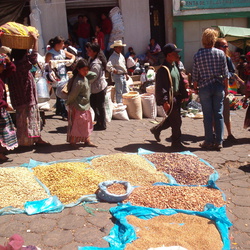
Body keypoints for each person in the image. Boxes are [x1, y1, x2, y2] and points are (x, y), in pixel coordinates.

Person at [8, 32, 49, 147]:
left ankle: (25, 140)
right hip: (27, 97)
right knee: (30, 118)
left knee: (22, 119)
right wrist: (35, 41)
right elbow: (34, 57)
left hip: (17, 98)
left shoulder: (12, 65)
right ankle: (30, 140)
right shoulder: (23, 64)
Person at [192, 28, 228, 150]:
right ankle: (219, 141)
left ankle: (208, 141)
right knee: (218, 114)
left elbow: (195, 75)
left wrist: (195, 88)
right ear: (214, 40)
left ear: (203, 40)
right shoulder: (220, 54)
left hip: (204, 87)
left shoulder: (198, 55)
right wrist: (226, 89)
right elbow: (225, 74)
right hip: (218, 86)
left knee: (207, 115)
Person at [150, 43, 188, 149]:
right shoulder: (163, 70)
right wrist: (164, 102)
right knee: (176, 121)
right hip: (170, 99)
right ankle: (176, 142)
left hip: (177, 97)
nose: (177, 55)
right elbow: (160, 88)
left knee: (173, 119)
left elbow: (179, 81)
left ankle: (156, 129)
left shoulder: (175, 66)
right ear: (168, 55)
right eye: (175, 53)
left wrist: (184, 94)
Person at [66, 58, 97, 148]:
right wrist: (68, 103)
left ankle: (87, 140)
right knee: (77, 125)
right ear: (78, 69)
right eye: (83, 70)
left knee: (86, 124)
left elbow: (94, 74)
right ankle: (73, 142)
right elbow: (73, 95)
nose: (86, 72)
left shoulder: (85, 78)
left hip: (85, 105)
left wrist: (85, 71)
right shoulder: (78, 81)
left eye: (87, 70)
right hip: (77, 105)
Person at [45, 36, 75, 121]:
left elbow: (72, 56)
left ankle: (59, 110)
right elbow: (46, 65)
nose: (63, 45)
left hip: (63, 75)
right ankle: (64, 113)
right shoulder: (50, 53)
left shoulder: (62, 52)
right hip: (55, 76)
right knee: (60, 94)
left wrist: (71, 61)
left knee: (61, 94)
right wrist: (52, 64)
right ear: (57, 44)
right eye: (62, 44)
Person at [214, 38, 238, 143]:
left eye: (226, 46)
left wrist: (226, 76)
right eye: (224, 46)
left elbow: (232, 72)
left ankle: (229, 133)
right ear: (217, 47)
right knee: (215, 113)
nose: (226, 48)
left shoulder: (227, 59)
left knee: (226, 112)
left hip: (225, 89)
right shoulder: (213, 58)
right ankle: (215, 134)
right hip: (214, 88)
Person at [0, 54, 18, 162]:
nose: (4, 67)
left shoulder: (1, 76)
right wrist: (6, 106)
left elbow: (12, 70)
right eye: (2, 65)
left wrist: (9, 61)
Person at [87, 43, 108, 131]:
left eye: (90, 50)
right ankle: (98, 121)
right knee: (94, 105)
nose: (88, 51)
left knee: (100, 106)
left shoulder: (96, 64)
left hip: (99, 87)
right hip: (95, 87)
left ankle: (102, 124)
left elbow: (92, 77)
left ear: (95, 52)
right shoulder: (91, 59)